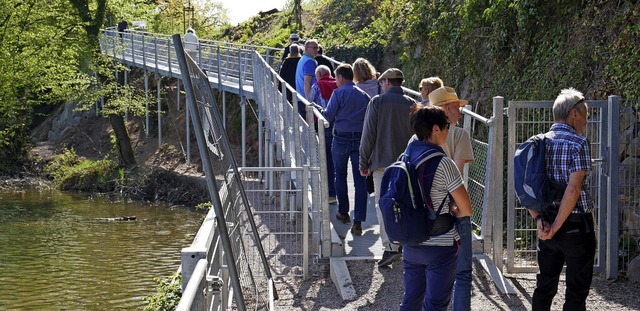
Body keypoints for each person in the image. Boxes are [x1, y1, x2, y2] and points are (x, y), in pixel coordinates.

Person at [399, 104, 473, 311]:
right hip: (439, 245)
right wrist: (454, 208)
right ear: (436, 129)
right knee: (436, 304)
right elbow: (466, 208)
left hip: (411, 243)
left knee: (411, 300)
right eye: (446, 127)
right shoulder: (444, 163)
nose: (449, 132)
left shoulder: (404, 158)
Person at [530, 88, 595, 311]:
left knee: (544, 285)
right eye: (585, 115)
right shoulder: (579, 143)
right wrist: (558, 226)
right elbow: (573, 188)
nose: (586, 122)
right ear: (574, 114)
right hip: (576, 226)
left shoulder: (538, 143)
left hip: (545, 224)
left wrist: (541, 222)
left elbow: (528, 188)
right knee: (576, 292)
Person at [359, 68, 417, 266]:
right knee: (405, 203)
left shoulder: (377, 102)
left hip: (382, 164)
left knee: (383, 204)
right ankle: (407, 243)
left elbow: (368, 135)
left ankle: (390, 247)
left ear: (386, 83)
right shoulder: (412, 104)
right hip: (407, 164)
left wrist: (363, 162)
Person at [427, 85, 474, 311]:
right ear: (446, 109)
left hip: (430, 211)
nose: (460, 111)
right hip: (456, 207)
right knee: (463, 273)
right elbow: (457, 171)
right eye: (456, 107)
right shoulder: (460, 134)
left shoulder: (420, 136)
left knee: (432, 271)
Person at [320, 64, 370, 235]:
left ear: (340, 78)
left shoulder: (338, 93)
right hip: (360, 139)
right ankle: (359, 220)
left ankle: (343, 212)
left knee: (340, 175)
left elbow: (328, 115)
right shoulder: (364, 95)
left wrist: (320, 110)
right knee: (360, 180)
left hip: (341, 138)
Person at [308, 65, 338, 204]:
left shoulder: (317, 86)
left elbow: (309, 104)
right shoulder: (338, 85)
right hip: (338, 125)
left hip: (323, 125)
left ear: (319, 75)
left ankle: (330, 193)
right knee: (337, 158)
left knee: (326, 158)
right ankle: (336, 191)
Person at [352, 57, 380, 195]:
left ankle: (369, 183)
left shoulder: (356, 88)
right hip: (379, 121)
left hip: (362, 123)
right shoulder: (379, 84)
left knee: (365, 151)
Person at [295, 39, 320, 119]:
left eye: (317, 47)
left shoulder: (302, 59)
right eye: (314, 48)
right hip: (306, 99)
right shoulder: (310, 62)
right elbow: (307, 82)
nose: (316, 50)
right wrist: (309, 101)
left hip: (301, 97)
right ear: (306, 48)